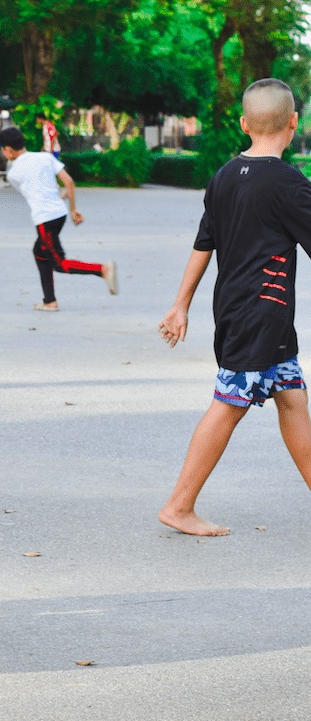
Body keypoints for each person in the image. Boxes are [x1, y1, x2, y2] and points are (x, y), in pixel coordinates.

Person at [157, 78, 311, 536]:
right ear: (294, 122)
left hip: (249, 314)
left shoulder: (222, 175)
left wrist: (180, 305)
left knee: (293, 402)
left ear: (244, 124)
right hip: (258, 316)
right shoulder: (289, 183)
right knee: (229, 404)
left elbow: (202, 245)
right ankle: (178, 506)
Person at [0, 126, 116, 311]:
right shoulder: (45, 157)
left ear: (8, 150)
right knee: (39, 252)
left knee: (59, 263)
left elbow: (33, 193)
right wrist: (73, 209)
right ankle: (49, 301)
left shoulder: (13, 174)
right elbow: (68, 182)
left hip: (45, 219)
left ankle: (102, 270)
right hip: (59, 214)